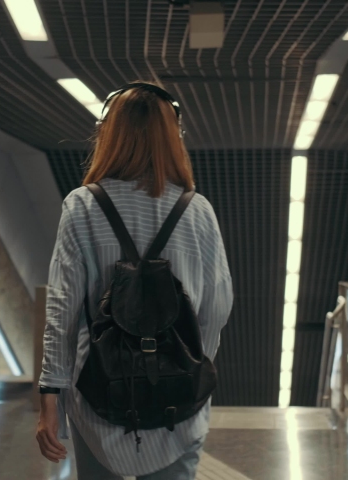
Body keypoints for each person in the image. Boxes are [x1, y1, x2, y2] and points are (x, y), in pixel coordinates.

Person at [35, 82, 233, 479]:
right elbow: (217, 306)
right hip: (178, 407)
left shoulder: (83, 206)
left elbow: (63, 308)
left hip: (98, 398)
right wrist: (190, 363)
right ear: (174, 137)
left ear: (108, 134)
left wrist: (49, 398)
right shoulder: (197, 211)